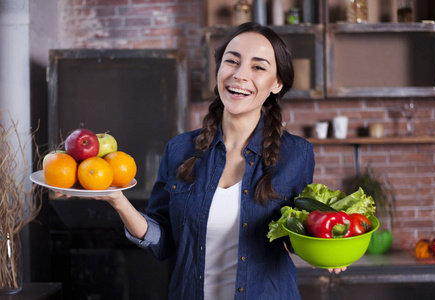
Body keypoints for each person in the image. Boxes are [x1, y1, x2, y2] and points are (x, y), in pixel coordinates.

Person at [88, 22, 343, 300]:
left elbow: (296, 236)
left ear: (277, 83)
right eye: (231, 61)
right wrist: (118, 200)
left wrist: (329, 249)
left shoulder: (296, 154)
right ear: (219, 69)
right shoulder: (179, 150)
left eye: (258, 67)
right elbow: (162, 243)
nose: (239, 75)